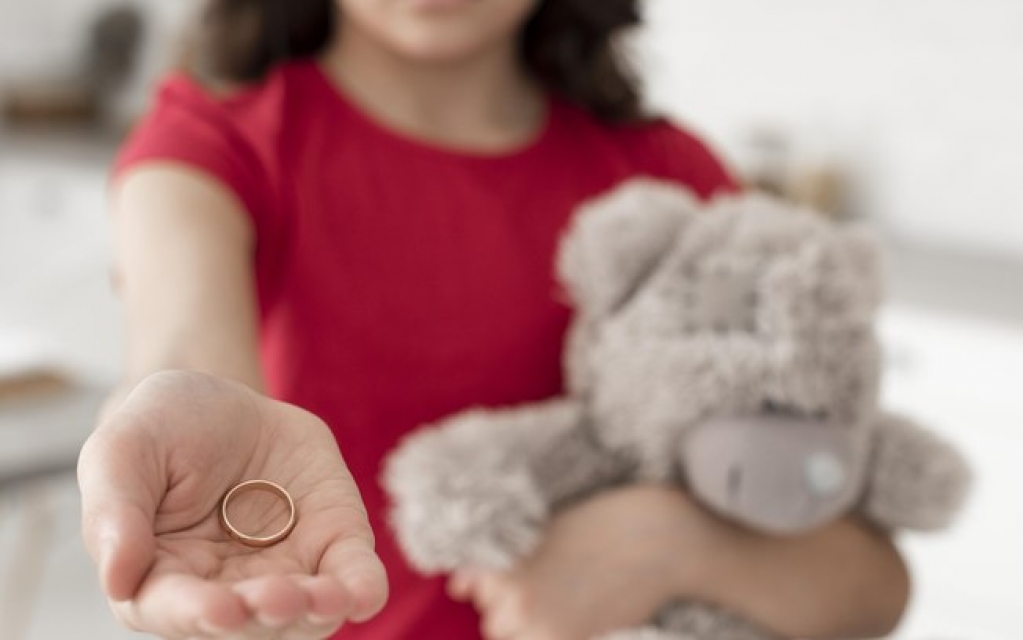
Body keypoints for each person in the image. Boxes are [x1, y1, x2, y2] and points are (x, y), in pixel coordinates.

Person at [76, 0, 911, 638]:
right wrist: (175, 406)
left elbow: (868, 585)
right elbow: (181, 344)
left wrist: (673, 542)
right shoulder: (215, 143)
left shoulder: (667, 177)